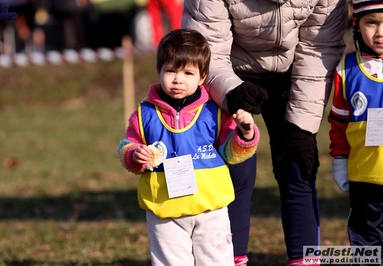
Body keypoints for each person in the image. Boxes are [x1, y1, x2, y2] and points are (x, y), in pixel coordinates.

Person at [181, 0, 348, 265]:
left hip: (295, 74)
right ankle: (229, 259)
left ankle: (305, 259)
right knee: (235, 172)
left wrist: (301, 123)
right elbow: (207, 51)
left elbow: (319, 47)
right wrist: (233, 94)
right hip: (228, 74)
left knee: (298, 165)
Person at [117, 28, 260, 266]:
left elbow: (232, 154)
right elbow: (127, 147)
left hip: (211, 210)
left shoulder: (215, 113)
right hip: (164, 211)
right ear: (159, 70)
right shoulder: (143, 115)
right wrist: (133, 154)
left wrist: (245, 134)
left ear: (203, 77)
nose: (177, 79)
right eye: (170, 70)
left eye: (188, 73)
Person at [329, 0, 383, 264]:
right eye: (371, 22)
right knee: (367, 241)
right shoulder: (347, 68)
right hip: (364, 175)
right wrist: (339, 160)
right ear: (357, 25)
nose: (380, 32)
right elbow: (338, 121)